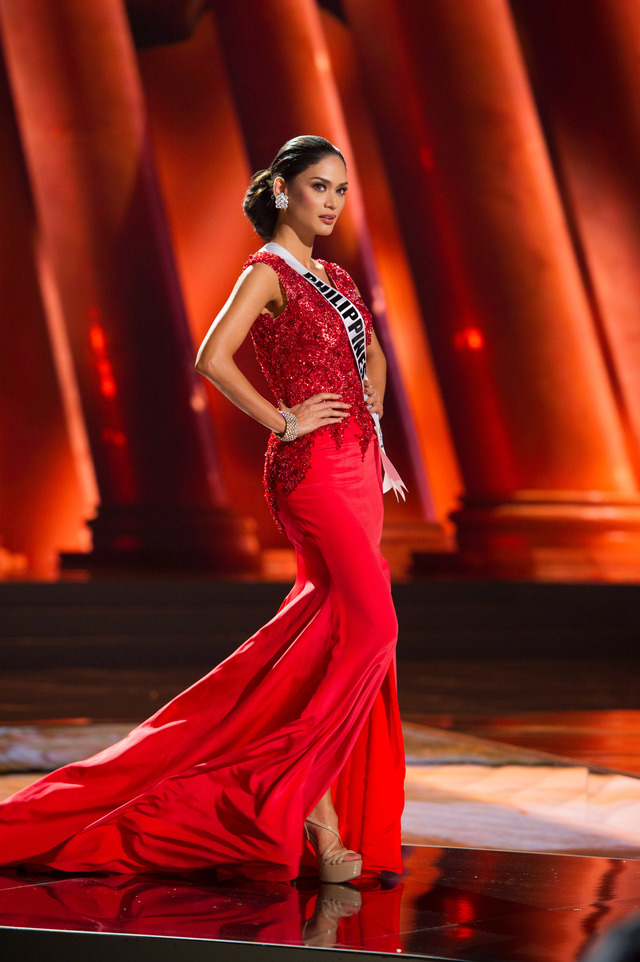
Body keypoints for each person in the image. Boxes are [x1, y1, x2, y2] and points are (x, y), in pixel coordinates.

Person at [0, 135, 405, 885]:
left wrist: (370, 388)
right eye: (319, 187)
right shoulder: (268, 271)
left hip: (357, 465)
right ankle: (280, 796)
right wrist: (283, 419)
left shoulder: (337, 275)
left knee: (329, 636)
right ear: (283, 190)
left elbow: (371, 349)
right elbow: (211, 357)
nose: (332, 202)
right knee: (376, 624)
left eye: (341, 191)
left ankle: (321, 823)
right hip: (311, 471)